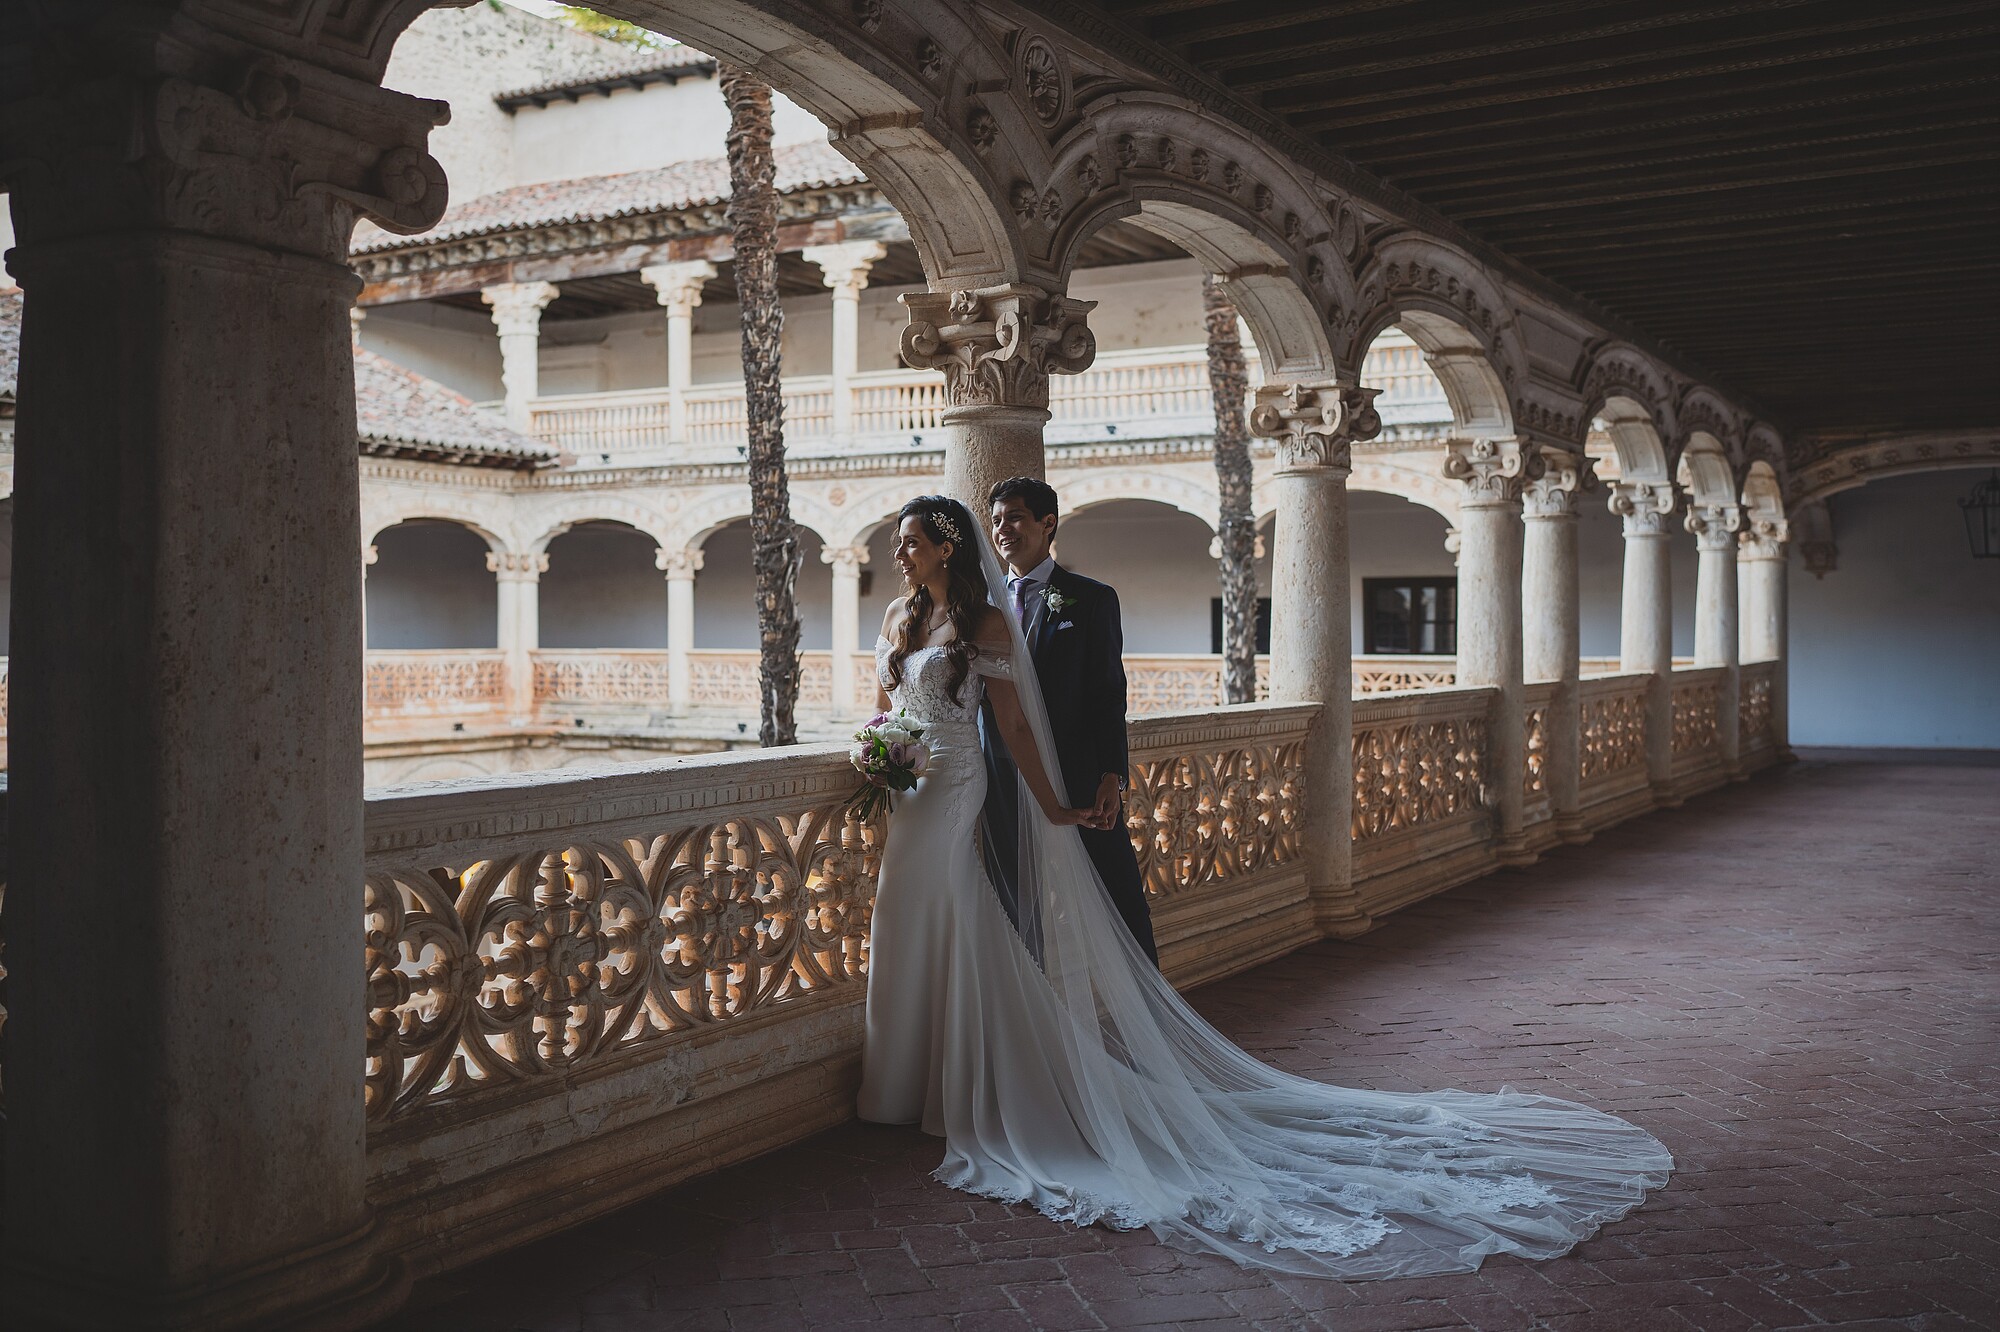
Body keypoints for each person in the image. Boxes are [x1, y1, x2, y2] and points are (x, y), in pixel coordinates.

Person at [856, 493, 1672, 1280]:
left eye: (912, 538)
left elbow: (1023, 722)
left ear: (949, 546)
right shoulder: (900, 618)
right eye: (900, 540)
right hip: (914, 799)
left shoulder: (995, 619)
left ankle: (966, 1088)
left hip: (965, 793)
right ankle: (905, 1078)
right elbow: (887, 705)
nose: (899, 551)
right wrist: (878, 754)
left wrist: (1058, 803)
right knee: (908, 926)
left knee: (968, 927)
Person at [980, 476, 1158, 965]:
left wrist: (1111, 775)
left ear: (1047, 523)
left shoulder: (1091, 598)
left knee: (1119, 894)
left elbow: (1107, 693)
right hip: (1001, 773)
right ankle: (1031, 1009)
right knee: (1015, 895)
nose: (1003, 529)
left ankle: (1152, 1012)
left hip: (1078, 771)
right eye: (996, 521)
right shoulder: (980, 605)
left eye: (1014, 517)